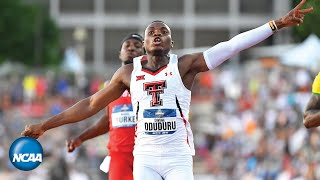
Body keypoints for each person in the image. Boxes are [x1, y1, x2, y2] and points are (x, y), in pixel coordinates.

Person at [22, 1, 313, 179]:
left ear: (171, 43)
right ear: (145, 44)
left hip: (177, 157)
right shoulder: (127, 73)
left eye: (164, 32)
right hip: (145, 156)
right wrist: (45, 125)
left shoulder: (185, 64)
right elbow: (90, 104)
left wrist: (276, 24)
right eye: (152, 32)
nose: (158, 34)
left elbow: (232, 46)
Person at [67, 33, 145, 180]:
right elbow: (108, 120)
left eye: (137, 46)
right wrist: (81, 138)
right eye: (127, 45)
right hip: (119, 155)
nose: (131, 48)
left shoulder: (152, 80)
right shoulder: (109, 85)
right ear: (120, 54)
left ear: (145, 53)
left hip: (146, 154)